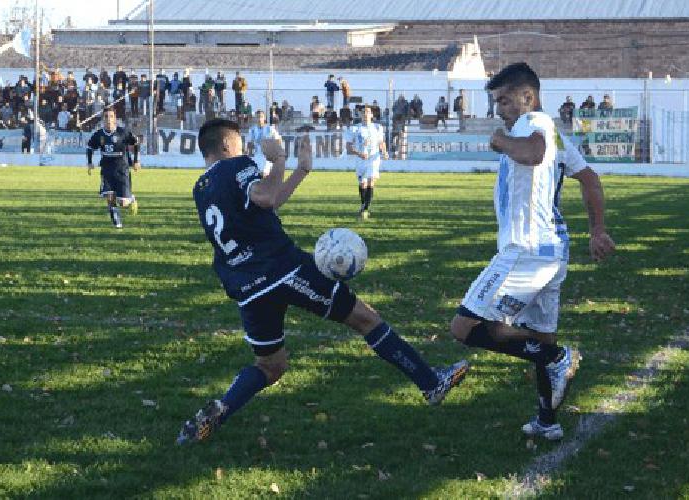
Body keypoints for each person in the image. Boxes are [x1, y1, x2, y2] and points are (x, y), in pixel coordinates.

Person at [176, 118, 469, 445]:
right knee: (365, 318)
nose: (245, 150)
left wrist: (301, 171)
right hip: (282, 269)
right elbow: (265, 198)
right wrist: (278, 159)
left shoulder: (202, 189)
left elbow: (262, 208)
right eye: (241, 144)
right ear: (229, 146)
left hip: (247, 288)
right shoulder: (236, 166)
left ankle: (221, 410)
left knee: (271, 366)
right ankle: (431, 382)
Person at [448, 62, 616, 441]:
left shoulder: (534, 124)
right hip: (551, 251)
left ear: (528, 97)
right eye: (496, 102)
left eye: (504, 101)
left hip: (524, 252)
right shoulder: (555, 133)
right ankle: (547, 420)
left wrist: (502, 142)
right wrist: (597, 230)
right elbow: (589, 178)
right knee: (540, 337)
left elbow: (534, 153)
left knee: (466, 327)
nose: (499, 110)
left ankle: (558, 360)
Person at [86, 108, 141, 228]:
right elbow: (90, 147)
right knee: (110, 197)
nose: (108, 119)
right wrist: (90, 163)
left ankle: (131, 198)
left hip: (122, 170)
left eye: (111, 116)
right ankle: (117, 223)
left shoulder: (123, 132)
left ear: (115, 118)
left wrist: (136, 161)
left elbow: (135, 142)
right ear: (103, 119)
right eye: (106, 116)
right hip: (106, 170)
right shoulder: (99, 134)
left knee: (123, 202)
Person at [345, 105, 388, 220]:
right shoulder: (355, 129)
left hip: (374, 157)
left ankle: (365, 209)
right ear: (360, 115)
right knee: (362, 184)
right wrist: (359, 153)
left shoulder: (378, 128)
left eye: (368, 112)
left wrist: (384, 151)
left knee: (371, 181)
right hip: (361, 159)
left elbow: (381, 142)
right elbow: (349, 147)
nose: (365, 114)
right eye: (363, 112)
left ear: (372, 115)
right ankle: (363, 205)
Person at [246, 110, 279, 176]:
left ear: (264, 118)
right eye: (257, 117)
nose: (259, 119)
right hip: (257, 155)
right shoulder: (252, 130)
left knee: (264, 174)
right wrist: (249, 155)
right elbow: (249, 144)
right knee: (257, 176)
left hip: (267, 156)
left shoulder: (270, 129)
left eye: (261, 117)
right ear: (255, 118)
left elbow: (278, 140)